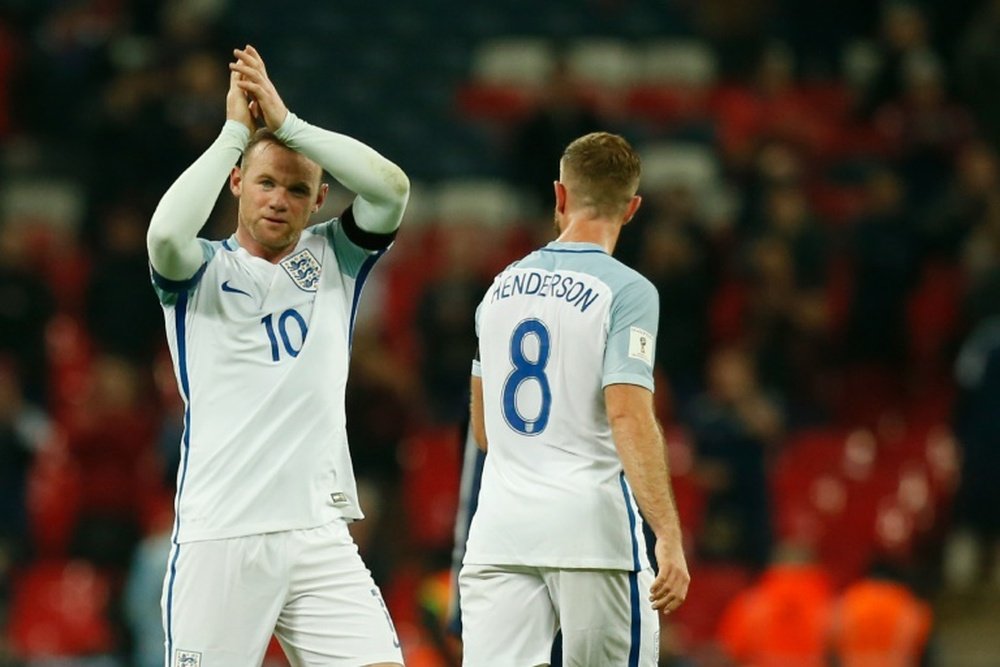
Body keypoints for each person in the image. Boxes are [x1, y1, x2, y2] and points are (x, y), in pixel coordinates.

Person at [146, 45, 409, 666]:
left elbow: (391, 190)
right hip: (224, 534)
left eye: (298, 189)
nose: (278, 199)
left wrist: (289, 126)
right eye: (265, 181)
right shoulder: (198, 271)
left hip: (318, 531)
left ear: (318, 202)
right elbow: (163, 235)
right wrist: (236, 133)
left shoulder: (335, 260)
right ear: (237, 182)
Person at [459, 132, 690, 665]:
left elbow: (485, 432)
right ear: (632, 209)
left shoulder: (498, 288)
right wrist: (668, 534)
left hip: (500, 534)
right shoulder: (629, 291)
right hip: (591, 533)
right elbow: (628, 414)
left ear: (559, 197)